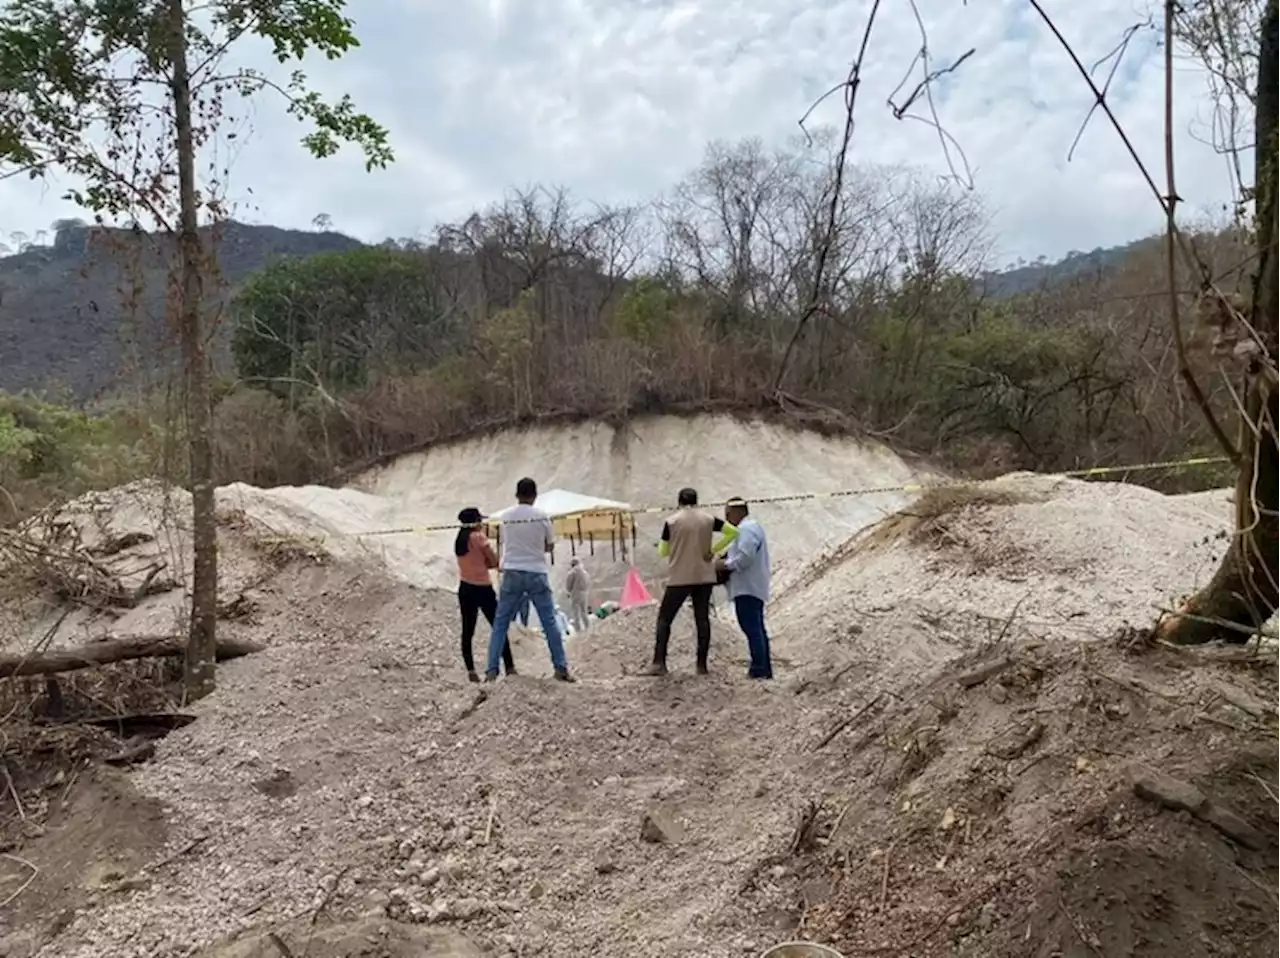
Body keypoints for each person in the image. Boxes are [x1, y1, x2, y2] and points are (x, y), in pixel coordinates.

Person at [485, 477, 576, 683]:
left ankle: (491, 671)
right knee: (549, 621)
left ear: (517, 495)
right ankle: (560, 668)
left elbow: (507, 541)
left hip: (512, 572)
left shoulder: (506, 516)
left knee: (501, 622)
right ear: (535, 495)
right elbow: (549, 546)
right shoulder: (542, 516)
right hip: (536, 572)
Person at [644, 487, 737, 676]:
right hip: (704, 576)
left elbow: (662, 552)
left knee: (665, 619)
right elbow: (733, 532)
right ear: (697, 501)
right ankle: (701, 666)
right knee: (702, 619)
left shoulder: (671, 522)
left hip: (680, 577)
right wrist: (715, 550)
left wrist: (676, 549)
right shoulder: (709, 519)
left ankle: (659, 663)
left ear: (679, 502)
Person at [454, 507, 516, 683]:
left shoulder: (460, 540)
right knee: (498, 626)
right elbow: (495, 561)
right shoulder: (478, 538)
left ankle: (471, 670)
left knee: (468, 630)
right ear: (475, 522)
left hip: (465, 587)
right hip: (482, 588)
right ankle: (509, 666)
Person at [716, 497, 773, 679]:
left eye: (727, 514)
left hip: (747, 586)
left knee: (751, 628)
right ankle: (764, 667)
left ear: (736, 512)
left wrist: (725, 565)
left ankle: (759, 669)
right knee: (757, 628)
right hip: (751, 585)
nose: (726, 519)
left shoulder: (746, 529)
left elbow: (745, 557)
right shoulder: (751, 528)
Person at [565, 557, 592, 633]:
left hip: (575, 594)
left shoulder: (572, 573)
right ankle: (588, 628)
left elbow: (568, 585)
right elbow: (588, 583)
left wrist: (569, 592)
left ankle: (578, 631)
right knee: (584, 612)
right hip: (585, 593)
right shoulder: (585, 573)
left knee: (575, 613)